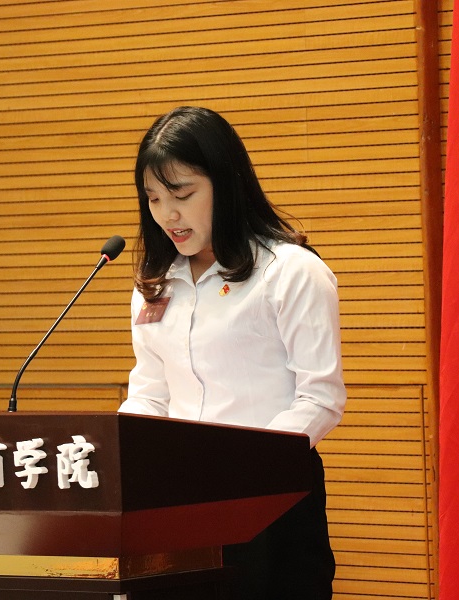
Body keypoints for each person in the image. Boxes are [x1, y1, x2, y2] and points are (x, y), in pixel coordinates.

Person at [118, 106, 346, 600]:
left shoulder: (290, 272)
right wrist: (121, 454)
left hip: (272, 502)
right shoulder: (154, 284)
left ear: (226, 183)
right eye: (153, 199)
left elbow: (320, 398)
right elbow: (151, 394)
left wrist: (241, 468)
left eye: (182, 195)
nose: (168, 215)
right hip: (177, 503)